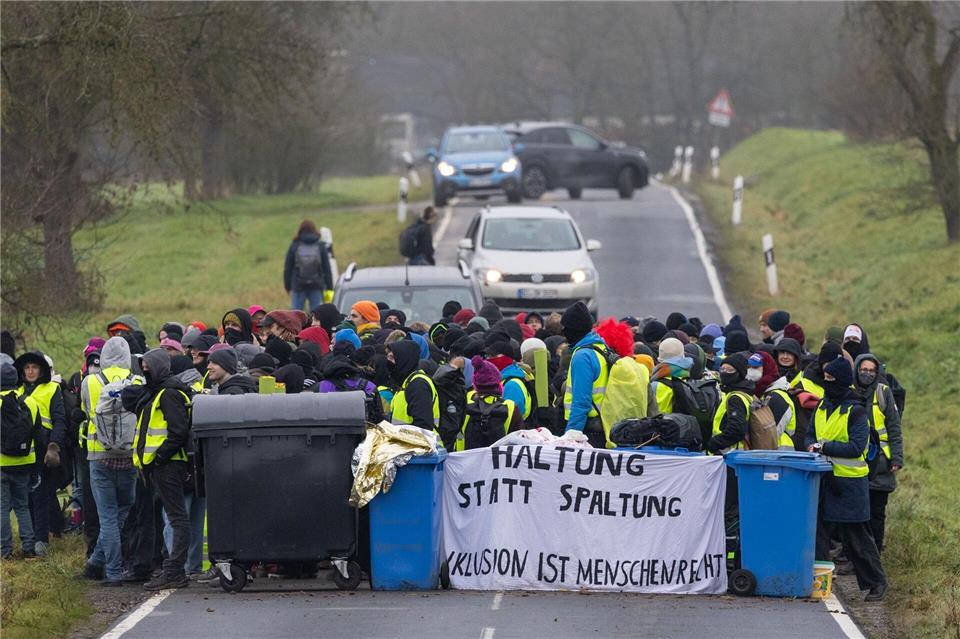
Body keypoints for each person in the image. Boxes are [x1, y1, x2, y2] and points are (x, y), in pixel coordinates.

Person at [807, 357, 887, 601]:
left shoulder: (857, 411)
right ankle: (818, 583)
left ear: (841, 381)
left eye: (831, 378)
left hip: (850, 484)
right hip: (824, 480)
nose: (826, 382)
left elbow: (855, 447)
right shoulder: (822, 406)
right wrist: (812, 445)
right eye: (825, 377)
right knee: (819, 535)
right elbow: (810, 434)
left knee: (857, 538)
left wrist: (823, 447)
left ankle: (877, 583)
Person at [123, 348, 193, 590]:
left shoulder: (169, 394)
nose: (144, 371)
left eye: (148, 367)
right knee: (173, 517)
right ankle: (173, 568)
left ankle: (174, 570)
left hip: (168, 466)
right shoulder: (157, 392)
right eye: (142, 367)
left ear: (159, 368)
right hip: (160, 466)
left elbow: (178, 432)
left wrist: (158, 458)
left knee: (176, 518)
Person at [78, 337, 140, 584]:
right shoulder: (137, 381)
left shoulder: (90, 381)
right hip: (128, 455)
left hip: (99, 455)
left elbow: (86, 411)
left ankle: (111, 571)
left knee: (108, 516)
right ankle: (96, 562)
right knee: (122, 510)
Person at [13, 352, 67, 556]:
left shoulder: (52, 388)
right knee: (25, 496)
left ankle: (41, 540)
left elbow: (60, 419)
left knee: (41, 495)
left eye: (34, 367)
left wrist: (54, 446)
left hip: (44, 448)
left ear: (42, 370)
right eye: (27, 368)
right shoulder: (15, 390)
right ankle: (30, 539)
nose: (30, 371)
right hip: (21, 449)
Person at [854, 353, 904, 553]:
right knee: (857, 513)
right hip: (855, 462)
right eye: (863, 370)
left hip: (881, 463)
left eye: (871, 371)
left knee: (876, 513)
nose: (867, 374)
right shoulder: (849, 392)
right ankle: (857, 555)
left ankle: (875, 553)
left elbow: (894, 427)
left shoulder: (883, 392)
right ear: (857, 370)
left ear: (877, 372)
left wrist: (897, 458)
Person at [1, 363, 42, 559]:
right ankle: (28, 547)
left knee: (1, 508)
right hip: (25, 462)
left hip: (1, 464)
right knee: (22, 506)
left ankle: (4, 551)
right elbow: (39, 432)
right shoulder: (30, 401)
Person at [560, 302, 613, 449]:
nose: (563, 332)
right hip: (604, 426)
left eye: (565, 328)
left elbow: (581, 401)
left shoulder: (582, 356)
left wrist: (571, 436)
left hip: (587, 431)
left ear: (574, 329)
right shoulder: (602, 347)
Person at [456, 356, 524, 450]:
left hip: (468, 461)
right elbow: (519, 442)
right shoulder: (511, 407)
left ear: (475, 384)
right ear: (498, 384)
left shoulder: (464, 405)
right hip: (499, 462)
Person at [385, 340, 439, 432]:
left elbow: (423, 426)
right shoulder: (406, 382)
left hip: (421, 444)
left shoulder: (418, 385)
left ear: (404, 359)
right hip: (406, 444)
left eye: (392, 358)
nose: (389, 362)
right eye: (388, 357)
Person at [284, 220, 334, 312]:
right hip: (316, 285)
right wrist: (329, 287)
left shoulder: (295, 245)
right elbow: (327, 268)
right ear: (314, 230)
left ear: (300, 230)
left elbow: (288, 268)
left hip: (298, 286)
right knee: (316, 315)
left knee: (296, 316)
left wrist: (288, 286)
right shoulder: (320, 245)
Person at [649, 338, 693, 415]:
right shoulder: (689, 377)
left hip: (660, 424)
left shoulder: (654, 384)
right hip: (684, 424)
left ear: (660, 359)